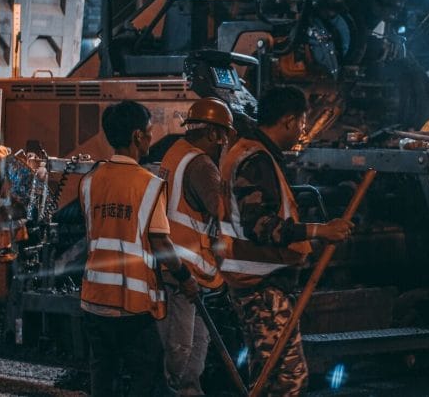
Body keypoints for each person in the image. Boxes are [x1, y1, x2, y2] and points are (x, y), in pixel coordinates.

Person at [218, 86, 353, 395]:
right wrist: (320, 230)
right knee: (288, 378)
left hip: (253, 280)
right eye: (303, 122)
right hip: (261, 285)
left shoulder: (245, 150)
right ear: (290, 121)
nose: (303, 130)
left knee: (266, 376)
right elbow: (262, 226)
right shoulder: (256, 159)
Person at [80, 100, 199, 397]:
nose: (151, 137)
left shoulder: (90, 181)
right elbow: (161, 243)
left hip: (94, 299)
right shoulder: (147, 184)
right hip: (131, 305)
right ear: (136, 136)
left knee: (102, 378)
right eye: (148, 131)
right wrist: (185, 278)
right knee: (146, 376)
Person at [157, 98, 235, 396]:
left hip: (177, 265)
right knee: (181, 352)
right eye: (225, 134)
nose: (226, 141)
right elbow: (224, 212)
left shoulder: (175, 153)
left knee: (192, 353)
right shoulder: (201, 164)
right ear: (213, 133)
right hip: (184, 272)